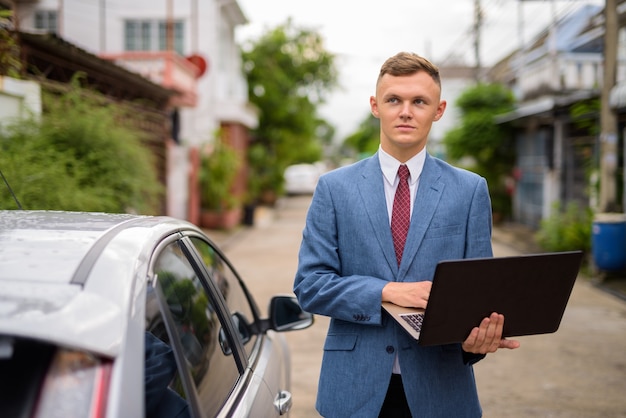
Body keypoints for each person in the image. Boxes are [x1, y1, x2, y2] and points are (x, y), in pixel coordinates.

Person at [293, 52, 520, 418]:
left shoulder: (470, 190)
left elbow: (479, 292)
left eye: (419, 101)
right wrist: (388, 291)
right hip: (354, 388)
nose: (405, 111)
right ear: (375, 106)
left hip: (440, 389)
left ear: (439, 109)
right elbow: (310, 285)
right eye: (394, 100)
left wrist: (478, 339)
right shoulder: (334, 189)